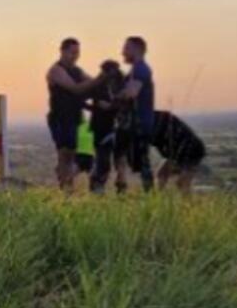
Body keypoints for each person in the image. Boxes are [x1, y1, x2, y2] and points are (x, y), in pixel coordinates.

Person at [46, 38, 101, 191]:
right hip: (61, 118)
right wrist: (98, 81)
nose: (76, 56)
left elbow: (92, 84)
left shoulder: (77, 70)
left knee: (85, 158)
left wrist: (102, 82)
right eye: (73, 52)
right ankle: (66, 190)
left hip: (78, 117)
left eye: (78, 53)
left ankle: (65, 181)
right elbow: (75, 88)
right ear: (62, 51)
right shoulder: (56, 70)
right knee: (65, 154)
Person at [116, 36, 156, 191]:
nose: (122, 52)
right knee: (121, 157)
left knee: (142, 162)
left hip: (138, 123)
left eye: (126, 48)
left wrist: (115, 97)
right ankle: (123, 191)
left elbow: (131, 93)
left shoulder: (140, 69)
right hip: (132, 123)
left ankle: (150, 196)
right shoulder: (136, 69)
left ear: (137, 49)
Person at [88, 60, 127, 193]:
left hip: (117, 128)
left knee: (119, 161)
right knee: (103, 161)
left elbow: (123, 104)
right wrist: (97, 107)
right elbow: (92, 103)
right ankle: (97, 187)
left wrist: (110, 106)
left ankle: (119, 189)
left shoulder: (121, 85)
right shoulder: (98, 86)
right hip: (101, 127)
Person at [152, 110, 206, 192]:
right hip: (178, 151)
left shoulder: (154, 121)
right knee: (162, 174)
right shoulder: (157, 117)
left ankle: (187, 204)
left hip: (191, 151)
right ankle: (158, 199)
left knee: (182, 183)